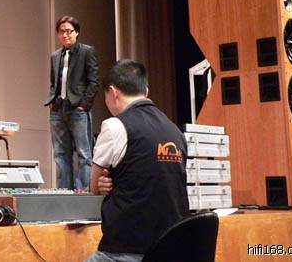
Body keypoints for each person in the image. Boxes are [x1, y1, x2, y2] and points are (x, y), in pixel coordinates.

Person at [85, 59, 189, 262]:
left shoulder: (114, 126)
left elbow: (94, 187)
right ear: (146, 91)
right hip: (172, 249)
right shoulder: (175, 131)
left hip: (126, 250)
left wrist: (102, 184)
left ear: (113, 92)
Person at [44, 15, 99, 191]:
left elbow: (94, 82)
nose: (65, 35)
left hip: (77, 108)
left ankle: (82, 191)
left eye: (69, 31)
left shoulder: (86, 51)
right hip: (58, 108)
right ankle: (64, 191)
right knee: (60, 154)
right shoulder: (55, 56)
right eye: (61, 32)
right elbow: (54, 82)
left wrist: (84, 105)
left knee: (83, 153)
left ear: (77, 32)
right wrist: (52, 99)